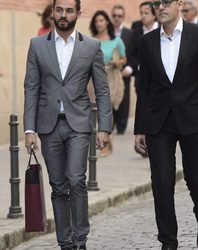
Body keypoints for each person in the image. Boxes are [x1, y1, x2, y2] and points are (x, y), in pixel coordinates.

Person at [24, 0, 112, 249]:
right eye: (59, 10)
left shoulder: (92, 46)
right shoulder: (37, 45)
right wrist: (29, 129)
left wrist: (104, 126)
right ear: (53, 12)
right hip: (48, 125)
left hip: (79, 124)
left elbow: (103, 90)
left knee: (76, 179)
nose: (64, 15)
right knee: (58, 185)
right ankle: (65, 242)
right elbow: (31, 88)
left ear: (78, 14)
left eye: (69, 10)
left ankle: (80, 238)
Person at [134, 0, 198, 249]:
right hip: (158, 122)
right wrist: (140, 127)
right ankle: (168, 241)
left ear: (179, 4)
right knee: (161, 183)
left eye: (165, 2)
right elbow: (145, 87)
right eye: (155, 3)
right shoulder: (147, 41)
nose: (159, 7)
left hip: (195, 120)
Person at [89, 10, 126, 156]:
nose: (99, 23)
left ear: (107, 22)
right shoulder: (91, 40)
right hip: (93, 78)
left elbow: (124, 58)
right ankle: (103, 139)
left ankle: (105, 142)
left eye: (102, 20)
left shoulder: (116, 41)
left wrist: (117, 62)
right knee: (95, 109)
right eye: (96, 21)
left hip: (111, 75)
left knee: (107, 108)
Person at [111, 4, 133, 135]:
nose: (117, 18)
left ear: (123, 17)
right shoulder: (107, 33)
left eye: (119, 16)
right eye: (114, 15)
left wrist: (129, 68)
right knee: (109, 97)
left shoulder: (129, 34)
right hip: (110, 72)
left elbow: (134, 53)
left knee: (124, 98)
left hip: (124, 71)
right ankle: (110, 124)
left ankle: (121, 126)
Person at [131, 1, 159, 96]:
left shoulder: (163, 29)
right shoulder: (136, 32)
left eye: (146, 13)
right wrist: (139, 67)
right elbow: (132, 54)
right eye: (141, 13)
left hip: (160, 80)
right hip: (141, 79)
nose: (143, 16)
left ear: (154, 15)